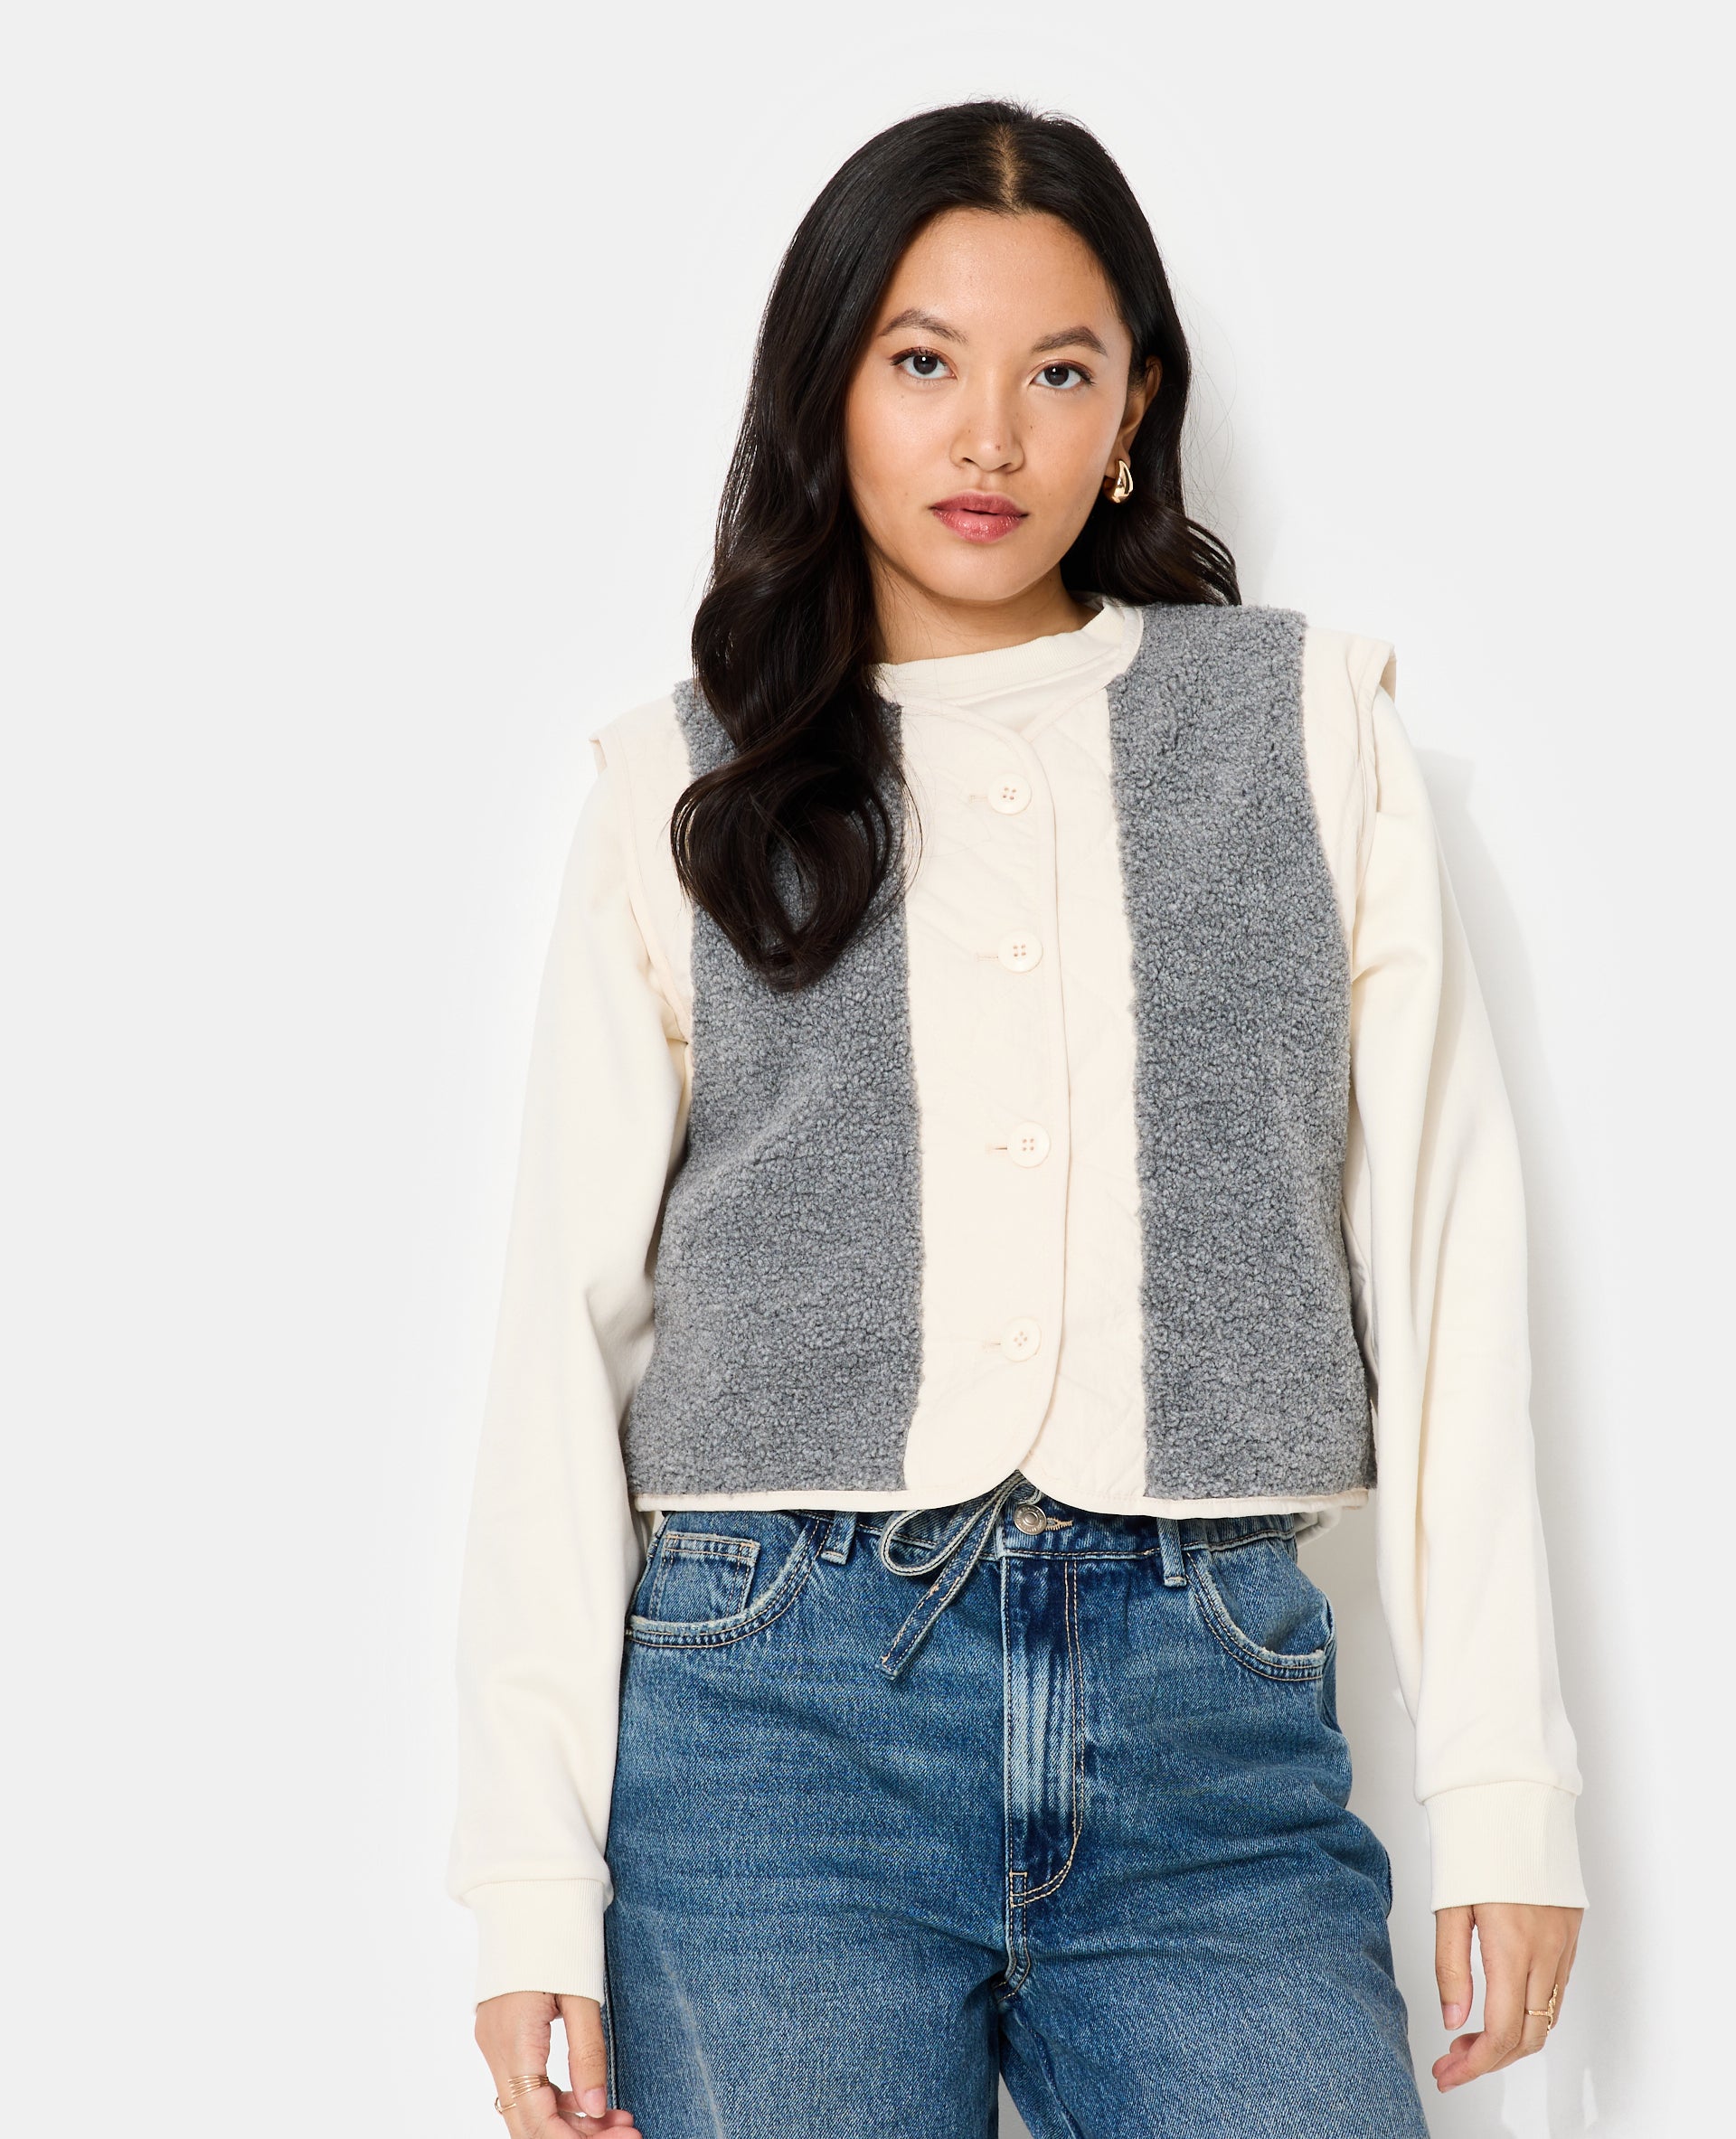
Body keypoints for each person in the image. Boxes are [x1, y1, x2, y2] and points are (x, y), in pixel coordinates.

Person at [447, 99, 1587, 2139]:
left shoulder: (1306, 732)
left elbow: (1445, 1257)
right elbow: (562, 1337)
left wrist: (1503, 1782)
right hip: (769, 1727)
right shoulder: (681, 785)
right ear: (829, 389)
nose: (990, 436)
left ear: (1134, 409)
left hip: (1212, 1727)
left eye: (1058, 373)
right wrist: (530, 1872)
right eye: (923, 362)